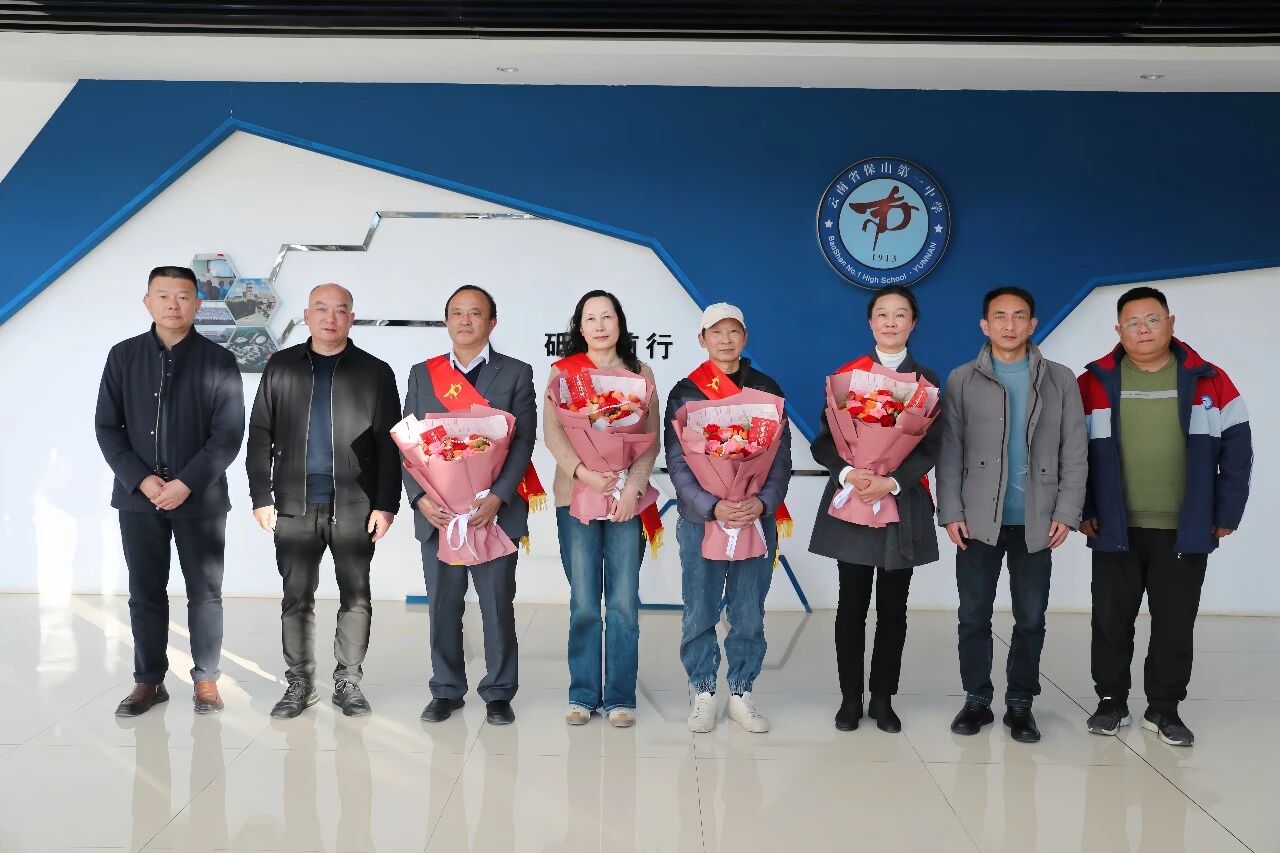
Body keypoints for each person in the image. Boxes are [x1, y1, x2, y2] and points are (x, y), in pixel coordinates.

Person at [1078, 286, 1251, 747]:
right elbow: (1071, 453)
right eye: (1132, 323)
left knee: (1175, 620)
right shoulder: (1093, 382)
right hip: (1114, 524)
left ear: (1171, 323)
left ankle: (1164, 708)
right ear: (1118, 330)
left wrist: (1226, 511)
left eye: (1152, 320)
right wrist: (1084, 508)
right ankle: (1111, 701)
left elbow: (1238, 451)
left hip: (1184, 525)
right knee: (1110, 618)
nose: (1143, 330)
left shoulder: (1210, 379)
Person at [936, 286, 1087, 743]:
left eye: (1019, 316)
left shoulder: (1060, 379)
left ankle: (1020, 704)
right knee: (973, 616)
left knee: (1031, 618)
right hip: (977, 520)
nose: (1009, 324)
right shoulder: (962, 379)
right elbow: (949, 451)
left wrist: (1068, 511)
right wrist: (951, 511)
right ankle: (976, 700)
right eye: (999, 316)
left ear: (1032, 324)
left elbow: (1075, 450)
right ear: (984, 325)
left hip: (1038, 520)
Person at [246, 283, 401, 719]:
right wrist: (261, 495)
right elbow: (259, 432)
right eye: (321, 308)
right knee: (296, 597)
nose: (330, 317)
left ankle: (348, 682)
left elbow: (390, 444)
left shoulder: (375, 372)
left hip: (356, 504)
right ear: (306, 315)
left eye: (340, 310)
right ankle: (299, 683)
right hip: (293, 503)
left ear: (352, 317)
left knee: (356, 596)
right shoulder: (281, 366)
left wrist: (386, 504)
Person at [95, 265, 244, 717]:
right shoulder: (123, 356)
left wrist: (185, 483)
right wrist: (142, 480)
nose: (173, 305)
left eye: (182, 296)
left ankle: (206, 680)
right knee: (145, 592)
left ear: (197, 304)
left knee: (205, 593)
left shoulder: (219, 360)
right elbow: (107, 427)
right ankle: (148, 681)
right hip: (137, 499)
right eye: (163, 296)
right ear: (148, 302)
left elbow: (228, 434)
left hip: (200, 499)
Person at [809, 285, 941, 733]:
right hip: (855, 500)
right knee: (851, 604)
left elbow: (932, 446)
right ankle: (850, 699)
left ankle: (883, 699)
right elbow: (824, 443)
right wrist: (849, 474)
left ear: (913, 323)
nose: (890, 321)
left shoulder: (926, 382)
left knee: (893, 609)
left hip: (901, 504)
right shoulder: (848, 377)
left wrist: (893, 480)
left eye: (900, 314)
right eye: (882, 314)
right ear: (870, 322)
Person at [404, 285, 539, 726]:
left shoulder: (516, 373)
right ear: (447, 321)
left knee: (497, 605)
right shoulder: (423, 374)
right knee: (443, 605)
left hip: (492, 512)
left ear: (492, 322)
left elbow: (522, 443)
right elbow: (408, 441)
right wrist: (420, 498)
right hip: (439, 513)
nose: (465, 320)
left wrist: (498, 496)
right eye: (457, 313)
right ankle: (446, 689)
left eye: (475, 313)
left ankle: (499, 692)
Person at [665, 303, 791, 734]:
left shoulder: (766, 388)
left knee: (748, 609)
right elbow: (678, 461)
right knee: (699, 608)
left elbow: (780, 458)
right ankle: (703, 690)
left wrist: (763, 503)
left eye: (733, 331)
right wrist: (711, 506)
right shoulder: (686, 391)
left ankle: (741, 691)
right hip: (701, 520)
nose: (725, 339)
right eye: (715, 332)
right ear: (702, 339)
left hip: (754, 516)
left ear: (745, 337)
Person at [544, 290, 660, 728]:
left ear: (619, 322)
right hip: (575, 495)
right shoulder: (563, 372)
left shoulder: (640, 373)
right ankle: (582, 694)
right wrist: (583, 473)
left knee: (624, 602)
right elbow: (553, 433)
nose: (599, 325)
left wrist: (633, 488)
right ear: (580, 327)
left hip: (626, 498)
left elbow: (650, 438)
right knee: (584, 601)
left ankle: (621, 698)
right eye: (590, 318)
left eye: (606, 316)